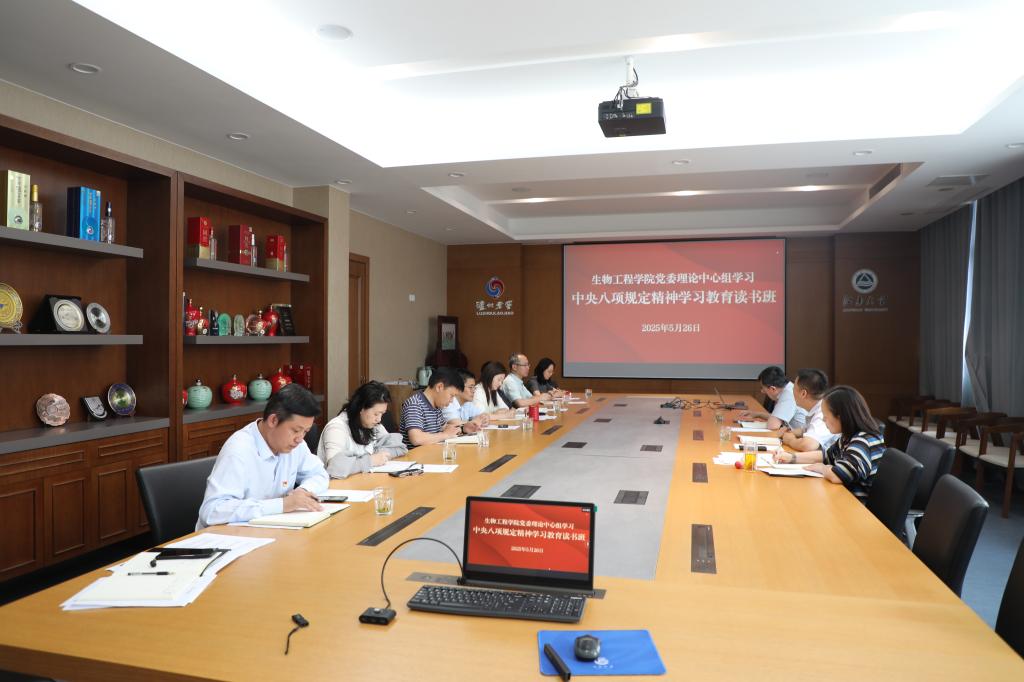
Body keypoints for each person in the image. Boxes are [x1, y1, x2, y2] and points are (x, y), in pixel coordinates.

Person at [197, 384, 328, 529]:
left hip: (272, 531)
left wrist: (303, 492)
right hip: (227, 537)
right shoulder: (238, 450)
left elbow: (319, 474)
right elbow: (211, 511)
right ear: (273, 420)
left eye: (305, 432)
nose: (300, 438)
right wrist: (282, 505)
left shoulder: (295, 444)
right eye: (296, 430)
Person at [775, 385, 885, 499]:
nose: (823, 420)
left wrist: (822, 468)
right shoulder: (848, 437)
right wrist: (791, 457)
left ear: (840, 417)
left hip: (855, 504)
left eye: (826, 416)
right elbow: (826, 456)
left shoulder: (862, 441)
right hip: (842, 496)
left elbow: (839, 475)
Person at [317, 381, 408, 479]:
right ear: (361, 408)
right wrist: (370, 460)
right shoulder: (336, 428)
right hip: (339, 485)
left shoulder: (374, 425)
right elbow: (335, 468)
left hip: (364, 480)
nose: (379, 419)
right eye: (376, 414)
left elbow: (400, 447)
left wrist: (378, 455)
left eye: (382, 414)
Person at [400, 366, 478, 448]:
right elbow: (416, 438)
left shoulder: (436, 406)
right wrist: (445, 435)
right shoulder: (415, 404)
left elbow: (444, 428)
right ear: (439, 387)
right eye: (451, 395)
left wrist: (463, 428)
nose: (452, 401)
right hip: (417, 455)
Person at [780, 368, 837, 453]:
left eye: (794, 388)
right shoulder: (818, 406)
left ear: (803, 393)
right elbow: (806, 429)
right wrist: (791, 432)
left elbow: (808, 445)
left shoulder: (823, 413)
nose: (792, 391)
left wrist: (790, 440)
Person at [739, 366, 805, 430]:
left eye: (762, 388)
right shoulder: (788, 389)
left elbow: (773, 425)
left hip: (802, 436)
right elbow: (777, 417)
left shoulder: (788, 395)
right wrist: (758, 414)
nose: (762, 391)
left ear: (773, 389)